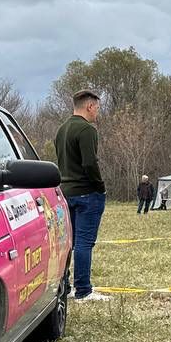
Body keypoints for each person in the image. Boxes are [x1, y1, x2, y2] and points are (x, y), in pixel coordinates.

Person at [54, 89, 110, 302]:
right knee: (84, 243)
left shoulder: (62, 130)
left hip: (65, 193)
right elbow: (89, 162)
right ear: (89, 106)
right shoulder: (87, 130)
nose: (97, 112)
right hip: (87, 193)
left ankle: (64, 287)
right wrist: (99, 186)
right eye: (97, 107)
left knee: (68, 243)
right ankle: (84, 290)